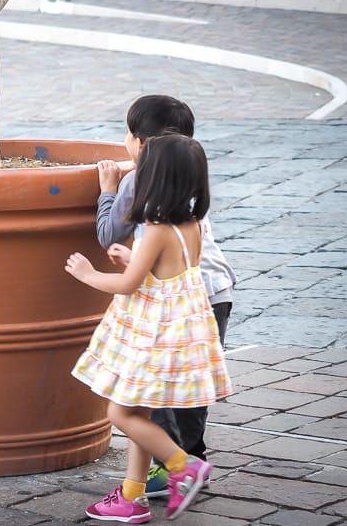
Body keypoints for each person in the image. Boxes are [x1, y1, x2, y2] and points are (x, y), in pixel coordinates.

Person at [66, 134, 233, 523]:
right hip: (172, 333)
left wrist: (88, 274)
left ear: (153, 180)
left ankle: (182, 466)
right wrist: (132, 257)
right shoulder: (190, 225)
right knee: (138, 414)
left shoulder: (157, 229)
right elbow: (164, 273)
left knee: (120, 414)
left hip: (151, 336)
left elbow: (128, 286)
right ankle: (132, 495)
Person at [95, 94, 237, 498]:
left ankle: (176, 465)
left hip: (170, 304)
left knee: (147, 395)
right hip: (214, 290)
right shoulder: (188, 178)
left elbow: (108, 235)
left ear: (142, 144)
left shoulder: (138, 182)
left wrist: (108, 189)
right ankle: (191, 456)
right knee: (189, 387)